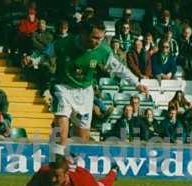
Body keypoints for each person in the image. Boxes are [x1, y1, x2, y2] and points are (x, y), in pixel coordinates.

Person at [43, 19, 147, 156]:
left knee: (83, 139)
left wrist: (136, 82)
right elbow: (44, 54)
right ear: (84, 34)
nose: (98, 41)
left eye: (101, 38)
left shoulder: (102, 50)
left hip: (85, 92)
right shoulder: (63, 43)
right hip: (63, 87)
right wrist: (32, 60)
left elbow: (119, 68)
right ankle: (55, 166)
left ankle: (76, 169)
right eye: (95, 37)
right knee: (62, 129)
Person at [18, 154, 118, 186]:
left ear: (67, 173)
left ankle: (113, 172)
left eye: (57, 176)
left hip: (88, 183)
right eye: (51, 175)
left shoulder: (82, 178)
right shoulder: (44, 172)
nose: (53, 179)